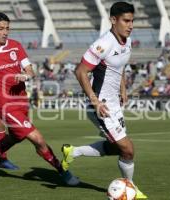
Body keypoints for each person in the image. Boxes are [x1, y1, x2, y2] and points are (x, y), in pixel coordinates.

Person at [0, 12, 79, 185]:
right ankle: (63, 172)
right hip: (5, 105)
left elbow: (29, 70)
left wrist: (25, 76)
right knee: (38, 139)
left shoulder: (15, 46)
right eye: (1, 29)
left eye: (7, 28)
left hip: (22, 101)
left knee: (15, 137)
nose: (5, 32)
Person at [60, 2, 147, 199]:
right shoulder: (103, 44)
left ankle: (74, 152)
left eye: (132, 21)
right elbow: (80, 71)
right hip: (101, 106)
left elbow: (120, 66)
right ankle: (130, 188)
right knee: (127, 149)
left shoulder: (128, 40)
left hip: (114, 103)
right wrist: (95, 102)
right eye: (126, 21)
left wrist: (123, 88)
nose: (130, 25)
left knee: (118, 147)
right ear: (113, 20)